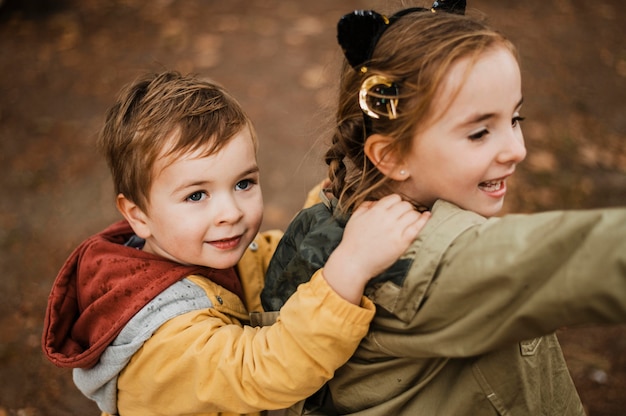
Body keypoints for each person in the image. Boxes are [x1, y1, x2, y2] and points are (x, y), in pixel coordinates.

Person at [261, 2, 626, 415]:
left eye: (515, 118)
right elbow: (589, 257)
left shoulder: (344, 213)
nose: (518, 150)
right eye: (479, 132)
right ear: (392, 155)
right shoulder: (429, 260)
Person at [41, 71, 431, 416]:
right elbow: (264, 370)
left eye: (243, 183)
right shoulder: (164, 343)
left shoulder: (197, 250)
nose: (231, 212)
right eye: (197, 195)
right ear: (138, 215)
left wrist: (330, 208)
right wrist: (350, 267)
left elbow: (272, 263)